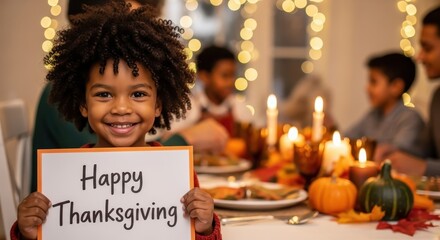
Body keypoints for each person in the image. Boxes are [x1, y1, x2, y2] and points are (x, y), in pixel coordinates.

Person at [12, 2, 221, 239]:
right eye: (104, 94)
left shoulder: (178, 174)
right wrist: (28, 233)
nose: (121, 108)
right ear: (83, 104)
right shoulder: (67, 178)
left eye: (138, 94)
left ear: (158, 105)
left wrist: (204, 229)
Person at [380, 6, 440, 176]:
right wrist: (393, 149)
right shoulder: (437, 98)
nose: (419, 57)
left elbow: (423, 163)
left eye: (427, 48)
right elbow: (424, 151)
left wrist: (424, 167)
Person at [161, 45, 252, 142]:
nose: (231, 82)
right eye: (225, 76)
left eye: (233, 75)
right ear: (204, 76)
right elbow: (170, 139)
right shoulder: (189, 107)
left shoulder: (238, 106)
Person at [345, 52, 425, 159]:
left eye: (373, 82)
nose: (367, 88)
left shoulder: (410, 119)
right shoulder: (373, 114)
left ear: (396, 87)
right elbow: (348, 137)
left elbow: (394, 154)